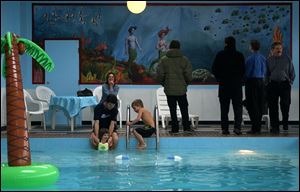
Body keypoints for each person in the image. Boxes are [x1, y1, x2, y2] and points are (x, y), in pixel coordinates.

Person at [157, 40, 193, 134]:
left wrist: (164, 84)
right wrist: (185, 83)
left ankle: (174, 129)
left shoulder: (164, 60)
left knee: (172, 109)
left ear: (170, 47)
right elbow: (189, 75)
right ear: (179, 47)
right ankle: (186, 128)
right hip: (181, 89)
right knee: (184, 109)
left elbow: (160, 74)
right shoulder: (184, 60)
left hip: (169, 89)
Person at [212, 36, 245, 135]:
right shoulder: (239, 55)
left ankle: (225, 129)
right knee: (238, 109)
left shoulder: (220, 55)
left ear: (225, 43)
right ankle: (237, 128)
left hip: (224, 86)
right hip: (236, 86)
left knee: (224, 109)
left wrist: (220, 79)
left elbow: (214, 69)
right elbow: (243, 71)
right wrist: (239, 80)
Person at [266, 42, 295, 134]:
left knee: (285, 105)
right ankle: (275, 126)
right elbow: (266, 74)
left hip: (285, 85)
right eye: (277, 48)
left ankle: (285, 123)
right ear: (272, 50)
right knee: (272, 106)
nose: (279, 50)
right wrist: (267, 83)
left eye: (280, 48)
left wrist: (290, 82)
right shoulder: (269, 60)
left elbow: (292, 73)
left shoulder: (287, 59)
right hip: (272, 85)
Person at [244, 40, 266, 134]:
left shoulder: (249, 59)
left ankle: (254, 127)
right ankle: (258, 127)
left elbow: (247, 72)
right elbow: (265, 71)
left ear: (251, 47)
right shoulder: (263, 58)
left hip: (251, 82)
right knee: (260, 104)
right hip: (261, 82)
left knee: (252, 104)